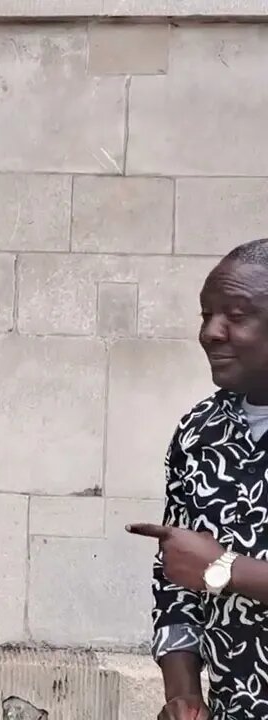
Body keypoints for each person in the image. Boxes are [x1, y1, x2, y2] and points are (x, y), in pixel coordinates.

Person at [127, 238, 268, 720]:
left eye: (235, 314)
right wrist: (182, 692)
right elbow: (175, 582)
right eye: (206, 314)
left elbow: (206, 567)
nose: (211, 332)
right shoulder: (199, 432)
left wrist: (224, 569)